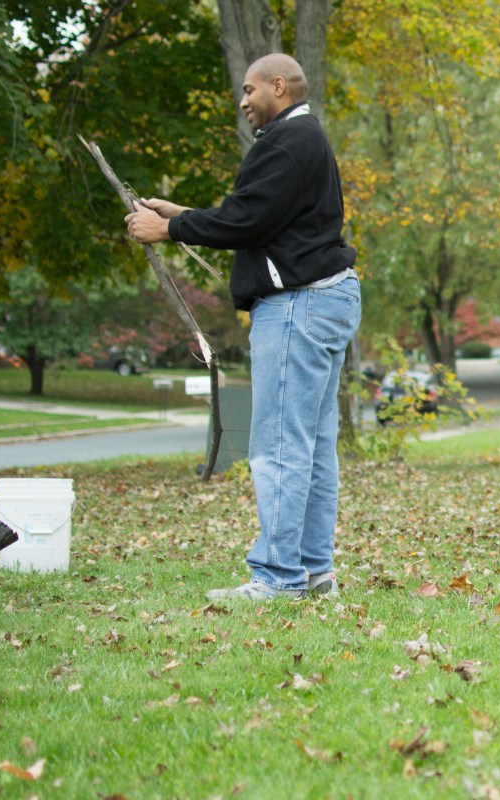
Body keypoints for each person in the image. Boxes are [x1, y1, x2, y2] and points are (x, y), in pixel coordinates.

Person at [125, 53, 360, 602]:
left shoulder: (286, 141)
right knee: (312, 445)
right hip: (327, 299)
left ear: (279, 86)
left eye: (251, 91)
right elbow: (260, 217)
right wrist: (181, 215)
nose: (243, 101)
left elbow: (246, 221)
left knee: (279, 444)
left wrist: (168, 229)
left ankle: (277, 578)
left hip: (298, 305)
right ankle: (315, 572)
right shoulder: (303, 140)